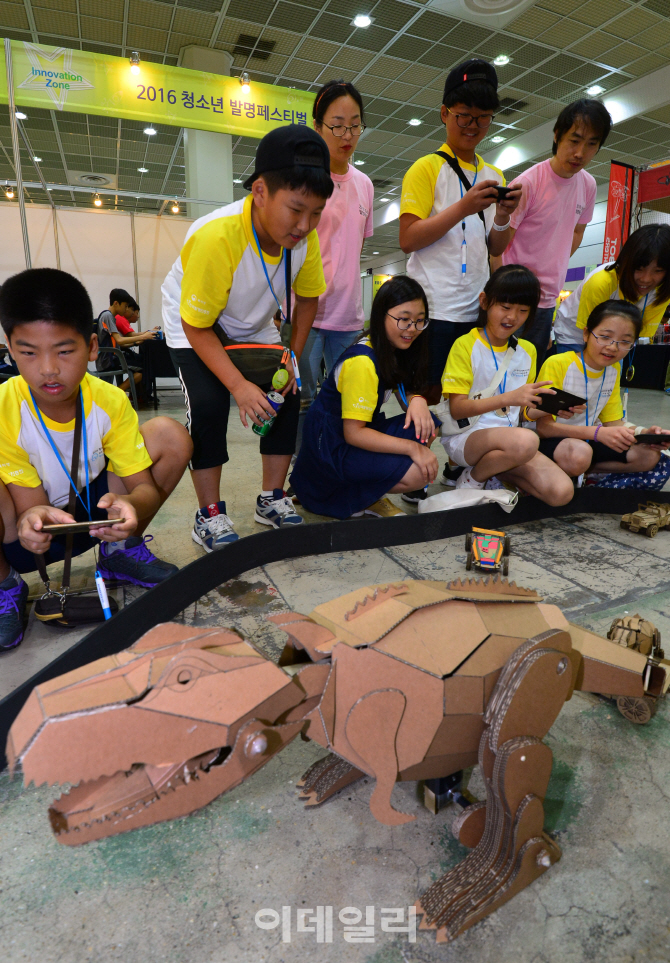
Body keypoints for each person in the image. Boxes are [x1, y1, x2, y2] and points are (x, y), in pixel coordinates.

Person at [0, 268, 193, 651]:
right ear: (8, 346)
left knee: (170, 435)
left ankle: (119, 550)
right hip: (25, 536)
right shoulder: (5, 408)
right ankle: (5, 586)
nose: (48, 368)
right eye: (28, 352)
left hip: (95, 518)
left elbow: (143, 488)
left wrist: (131, 506)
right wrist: (30, 519)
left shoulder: (109, 400)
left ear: (91, 347)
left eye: (64, 350)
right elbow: (29, 509)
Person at [162, 125, 332, 551]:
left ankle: (271, 499)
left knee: (287, 393)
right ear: (260, 191)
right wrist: (237, 386)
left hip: (252, 324)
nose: (305, 225)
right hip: (195, 325)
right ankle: (210, 514)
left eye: (316, 213)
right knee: (208, 404)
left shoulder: (303, 240)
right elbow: (197, 326)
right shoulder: (216, 237)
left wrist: (290, 359)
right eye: (295, 209)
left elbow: (308, 299)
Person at [399, 59, 522, 405]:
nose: (473, 126)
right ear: (444, 113)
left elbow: (495, 248)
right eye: (463, 116)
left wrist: (502, 215)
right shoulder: (426, 168)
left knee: (469, 396)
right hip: (433, 309)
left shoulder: (492, 173)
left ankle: (460, 460)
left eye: (483, 118)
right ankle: (415, 456)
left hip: (475, 311)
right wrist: (463, 207)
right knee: (425, 394)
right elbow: (408, 238)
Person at [290, 275, 439, 519]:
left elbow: (405, 388)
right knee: (417, 473)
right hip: (329, 451)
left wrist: (418, 400)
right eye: (403, 320)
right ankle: (355, 497)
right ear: (382, 315)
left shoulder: (393, 348)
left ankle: (365, 494)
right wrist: (413, 449)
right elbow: (354, 433)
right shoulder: (363, 362)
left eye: (419, 321)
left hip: (345, 439)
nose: (412, 329)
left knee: (427, 423)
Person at [440, 265, 574, 506]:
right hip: (467, 437)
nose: (512, 317)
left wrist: (551, 407)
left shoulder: (528, 351)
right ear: (484, 302)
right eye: (505, 307)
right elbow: (457, 409)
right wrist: (510, 398)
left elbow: (523, 413)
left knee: (561, 493)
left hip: (513, 443)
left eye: (523, 310)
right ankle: (473, 477)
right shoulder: (465, 345)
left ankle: (497, 471)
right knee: (527, 441)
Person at [501, 98, 612, 366]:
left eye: (591, 144)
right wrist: (502, 295)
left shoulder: (587, 185)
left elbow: (577, 231)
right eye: (574, 140)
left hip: (548, 299)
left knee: (530, 374)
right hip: (512, 298)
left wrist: (555, 259)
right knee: (497, 374)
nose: (580, 152)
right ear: (557, 135)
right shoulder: (528, 183)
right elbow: (500, 245)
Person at [295, 79, 374, 444]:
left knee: (348, 399)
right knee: (300, 399)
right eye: (337, 124)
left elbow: (354, 248)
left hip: (347, 315)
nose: (348, 134)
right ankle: (300, 471)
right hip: (304, 311)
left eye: (355, 125)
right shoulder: (302, 180)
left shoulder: (365, 185)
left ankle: (339, 467)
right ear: (317, 127)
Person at [532, 300, 666, 477]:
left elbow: (613, 421)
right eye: (604, 337)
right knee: (580, 453)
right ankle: (573, 469)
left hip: (589, 439)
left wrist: (643, 433)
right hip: (552, 442)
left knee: (649, 455)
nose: (612, 347)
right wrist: (596, 433)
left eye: (625, 341)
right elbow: (544, 428)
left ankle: (585, 472)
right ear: (586, 334)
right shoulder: (559, 363)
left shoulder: (613, 369)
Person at [554, 224, 670, 352]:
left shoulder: (663, 291)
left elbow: (640, 332)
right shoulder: (602, 281)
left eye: (658, 270)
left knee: (612, 370)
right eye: (639, 269)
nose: (645, 279)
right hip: (576, 334)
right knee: (578, 369)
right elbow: (589, 331)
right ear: (626, 261)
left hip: (615, 338)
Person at [96, 288, 157, 397]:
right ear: (116, 303)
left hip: (111, 357)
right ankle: (115, 392)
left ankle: (115, 392)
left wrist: (138, 341)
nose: (126, 309)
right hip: (109, 359)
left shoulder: (111, 317)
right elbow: (120, 340)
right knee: (145, 369)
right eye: (125, 306)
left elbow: (119, 342)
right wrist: (143, 336)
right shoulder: (108, 316)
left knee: (143, 366)